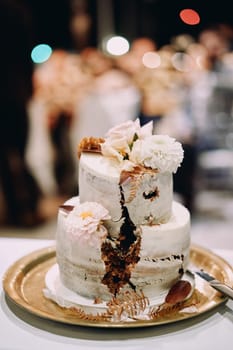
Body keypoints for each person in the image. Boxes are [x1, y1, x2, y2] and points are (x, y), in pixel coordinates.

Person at [0, 0, 45, 227]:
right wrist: (28, 90)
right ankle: (26, 207)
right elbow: (25, 54)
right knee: (19, 153)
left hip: (13, 93)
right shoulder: (17, 11)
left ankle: (17, 207)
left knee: (7, 158)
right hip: (15, 94)